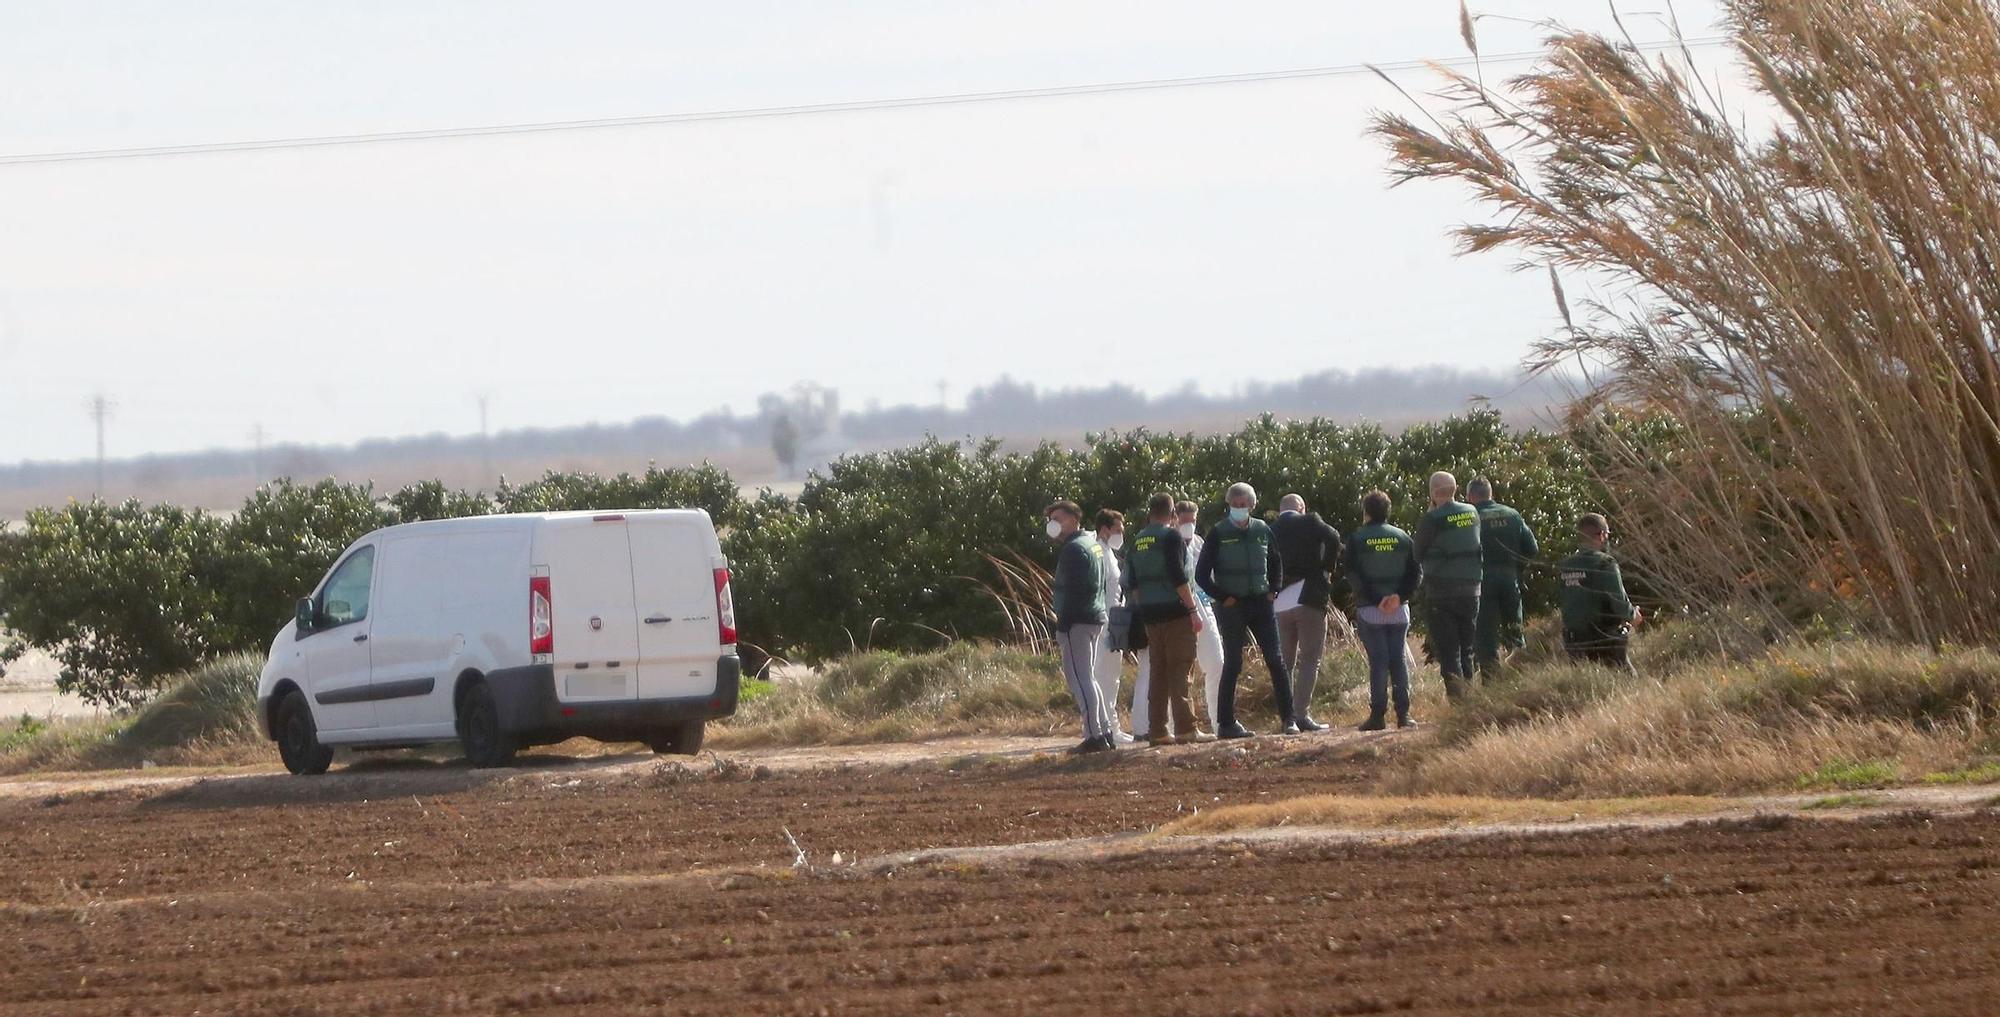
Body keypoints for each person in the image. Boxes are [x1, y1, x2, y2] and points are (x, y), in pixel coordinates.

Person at [1194, 483, 1299, 738]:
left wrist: (1274, 589)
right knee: (1232, 663)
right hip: (1232, 606)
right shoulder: (1219, 532)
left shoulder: (1263, 530)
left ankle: (1289, 719)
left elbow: (1276, 562)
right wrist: (1222, 597)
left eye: (1244, 505)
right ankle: (1226, 724)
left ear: (1252, 506)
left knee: (1276, 660)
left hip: (1261, 604)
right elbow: (1201, 575)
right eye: (1235, 505)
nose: (1239, 509)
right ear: (1229, 505)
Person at [1123, 492, 1212, 746]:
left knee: (1157, 673)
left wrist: (1145, 608)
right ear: (1173, 514)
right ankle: (1186, 728)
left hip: (1150, 615)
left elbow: (1133, 582)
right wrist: (1193, 609)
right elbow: (1178, 576)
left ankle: (1158, 730)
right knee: (1181, 670)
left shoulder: (1138, 540)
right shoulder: (1172, 537)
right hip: (1175, 613)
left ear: (1149, 512)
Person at [1343, 490, 1422, 730]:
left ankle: (1378, 716)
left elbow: (1353, 575)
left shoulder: (1357, 539)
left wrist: (1377, 599)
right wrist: (1399, 597)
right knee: (1398, 660)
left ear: (1366, 512)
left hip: (1370, 610)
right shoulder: (1403, 537)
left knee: (1378, 661)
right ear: (1388, 511)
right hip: (1399, 610)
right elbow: (1416, 573)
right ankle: (1404, 715)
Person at [1045, 501, 1112, 753]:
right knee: (1089, 678)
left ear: (1074, 519)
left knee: (1079, 679)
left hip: (1077, 620)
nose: (1053, 524)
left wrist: (1064, 622)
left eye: (1058, 518)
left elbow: (1072, 590)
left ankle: (1094, 734)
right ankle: (1104, 730)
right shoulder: (1091, 544)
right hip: (1093, 616)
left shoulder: (1073, 549)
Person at [1272, 493, 1341, 732]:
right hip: (1308, 595)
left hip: (1279, 601)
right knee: (1310, 659)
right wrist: (1326, 568)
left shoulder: (1270, 529)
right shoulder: (1310, 521)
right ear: (1301, 507)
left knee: (1284, 663)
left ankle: (1286, 717)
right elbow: (1333, 537)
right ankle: (1301, 714)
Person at [1412, 471, 1483, 700]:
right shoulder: (1472, 512)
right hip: (1472, 590)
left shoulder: (1432, 519)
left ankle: (1458, 704)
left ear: (1432, 493)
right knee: (1467, 651)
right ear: (1456, 489)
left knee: (1450, 653)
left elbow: (1417, 553)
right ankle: (1470, 699)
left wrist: (1431, 512)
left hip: (1442, 593)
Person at [1470, 477, 1539, 676]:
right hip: (1510, 580)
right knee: (1515, 631)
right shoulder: (1512, 514)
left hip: (1482, 583)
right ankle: (1521, 677)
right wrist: (1517, 568)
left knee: (1486, 636)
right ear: (1491, 493)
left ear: (1471, 496)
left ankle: (1492, 683)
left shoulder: (1471, 516)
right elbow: (1532, 549)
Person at [1558, 512, 1643, 670]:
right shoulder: (1605, 563)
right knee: (1629, 680)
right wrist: (1633, 615)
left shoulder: (1565, 566)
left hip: (1573, 641)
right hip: (1603, 639)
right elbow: (1620, 604)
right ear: (1602, 535)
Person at [1091, 508, 1141, 744]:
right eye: (1118, 530)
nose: (1122, 535)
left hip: (1115, 622)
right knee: (1103, 676)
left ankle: (1110, 726)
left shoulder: (1109, 553)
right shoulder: (1098, 553)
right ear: (1104, 530)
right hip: (1103, 624)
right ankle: (1105, 727)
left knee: (1112, 677)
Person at [1176, 499, 1226, 728]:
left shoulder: (1199, 543)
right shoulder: (1169, 542)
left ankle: (1219, 721)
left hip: (1204, 606)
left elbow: (1209, 576)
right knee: (1178, 670)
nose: (1189, 525)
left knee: (1216, 662)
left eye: (1192, 521)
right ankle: (1175, 725)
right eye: (1184, 521)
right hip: (1177, 610)